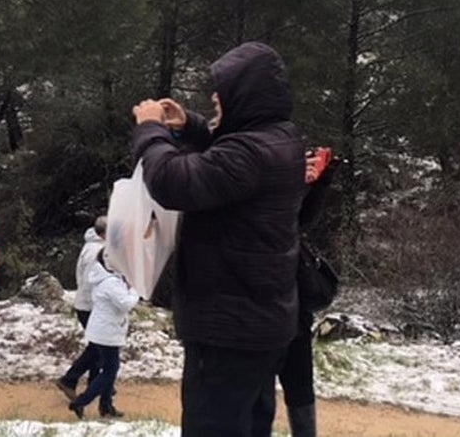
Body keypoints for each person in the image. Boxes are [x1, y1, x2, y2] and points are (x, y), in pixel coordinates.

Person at [131, 41, 306, 437]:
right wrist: (190, 125)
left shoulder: (249, 153)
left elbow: (172, 182)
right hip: (261, 326)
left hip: (229, 331)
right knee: (250, 425)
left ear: (244, 96)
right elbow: (226, 156)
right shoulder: (280, 138)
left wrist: (150, 130)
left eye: (221, 96)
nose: (214, 101)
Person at [278, 147, 336, 437]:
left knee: (300, 387)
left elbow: (300, 218)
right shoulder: (264, 203)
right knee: (259, 395)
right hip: (263, 318)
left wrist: (320, 182)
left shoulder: (284, 215)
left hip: (294, 314)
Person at [67, 248, 139, 420]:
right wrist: (134, 290)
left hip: (106, 330)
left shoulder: (109, 279)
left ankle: (106, 406)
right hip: (107, 332)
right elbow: (125, 304)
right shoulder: (110, 283)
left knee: (107, 368)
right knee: (110, 370)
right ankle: (81, 401)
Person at [55, 215, 106, 400]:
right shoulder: (97, 251)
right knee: (98, 346)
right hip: (91, 305)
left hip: (86, 304)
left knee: (97, 346)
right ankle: (70, 379)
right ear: (105, 232)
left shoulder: (91, 246)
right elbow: (91, 281)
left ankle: (95, 383)